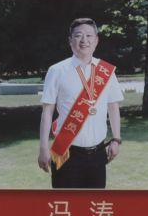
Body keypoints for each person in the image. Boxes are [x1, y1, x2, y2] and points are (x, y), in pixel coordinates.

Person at [37, 18, 121, 189]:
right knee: (66, 202)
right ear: (70, 40)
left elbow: (113, 107)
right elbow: (47, 111)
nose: (84, 40)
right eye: (78, 35)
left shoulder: (106, 71)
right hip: (66, 153)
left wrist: (116, 139)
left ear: (96, 40)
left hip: (98, 154)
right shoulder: (57, 70)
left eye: (89, 35)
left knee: (94, 203)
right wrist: (43, 148)